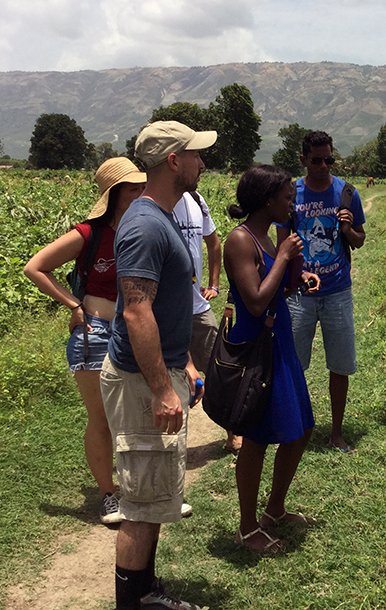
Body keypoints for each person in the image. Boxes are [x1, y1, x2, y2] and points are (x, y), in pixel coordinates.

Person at [100, 121, 215, 610]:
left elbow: (166, 307)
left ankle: (145, 589)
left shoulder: (159, 215)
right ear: (173, 160)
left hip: (157, 371)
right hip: (140, 382)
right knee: (141, 505)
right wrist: (161, 390)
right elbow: (136, 310)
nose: (202, 162)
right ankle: (134, 601)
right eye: (195, 154)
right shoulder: (147, 225)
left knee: (154, 496)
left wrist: (182, 363)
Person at [24, 157, 146, 525]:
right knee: (102, 419)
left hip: (134, 331)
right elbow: (35, 267)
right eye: (132, 187)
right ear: (114, 194)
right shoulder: (88, 234)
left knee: (137, 412)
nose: (141, 191)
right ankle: (108, 494)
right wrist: (72, 303)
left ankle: (139, 488)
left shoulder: (145, 228)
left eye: (142, 185)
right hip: (96, 333)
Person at [224, 165, 320, 553]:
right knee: (258, 438)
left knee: (302, 429)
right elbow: (255, 298)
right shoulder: (240, 240)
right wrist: (283, 257)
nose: (291, 203)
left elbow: (274, 287)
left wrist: (298, 277)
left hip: (278, 340)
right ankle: (247, 528)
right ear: (266, 200)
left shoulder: (264, 237)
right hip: (256, 348)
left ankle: (274, 509)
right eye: (285, 197)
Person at [277, 131, 365, 453]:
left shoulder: (346, 192)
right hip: (300, 295)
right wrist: (291, 279)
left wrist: (347, 228)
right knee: (293, 365)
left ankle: (336, 433)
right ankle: (294, 426)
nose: (324, 165)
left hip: (337, 291)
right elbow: (282, 244)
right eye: (317, 160)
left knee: (339, 365)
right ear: (303, 160)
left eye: (329, 159)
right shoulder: (291, 194)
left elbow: (359, 239)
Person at [172, 189, 241, 453]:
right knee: (172, 376)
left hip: (198, 308)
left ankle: (232, 432)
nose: (201, 166)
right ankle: (173, 443)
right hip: (167, 309)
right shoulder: (152, 202)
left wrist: (214, 283)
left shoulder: (196, 200)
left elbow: (214, 242)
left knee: (220, 368)